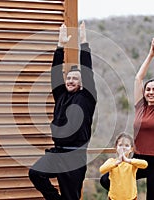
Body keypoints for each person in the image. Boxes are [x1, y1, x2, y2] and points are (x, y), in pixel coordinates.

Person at [28, 21, 97, 200]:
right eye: (68, 78)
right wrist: (60, 46)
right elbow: (54, 73)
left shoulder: (87, 97)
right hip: (57, 152)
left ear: (82, 83)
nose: (70, 80)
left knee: (71, 197)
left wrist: (83, 42)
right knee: (36, 173)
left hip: (75, 156)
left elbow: (88, 71)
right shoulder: (61, 95)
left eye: (75, 78)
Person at [100, 38, 154, 200]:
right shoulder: (140, 106)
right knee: (106, 180)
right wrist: (149, 55)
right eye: (148, 89)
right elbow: (137, 79)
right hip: (138, 159)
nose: (150, 92)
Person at [99, 133, 148, 200]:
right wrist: (116, 163)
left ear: (131, 149)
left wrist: (128, 160)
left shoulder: (132, 162)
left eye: (127, 145)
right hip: (114, 198)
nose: (123, 148)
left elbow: (145, 164)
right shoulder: (112, 161)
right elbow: (102, 170)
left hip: (131, 198)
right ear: (116, 147)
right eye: (120, 145)